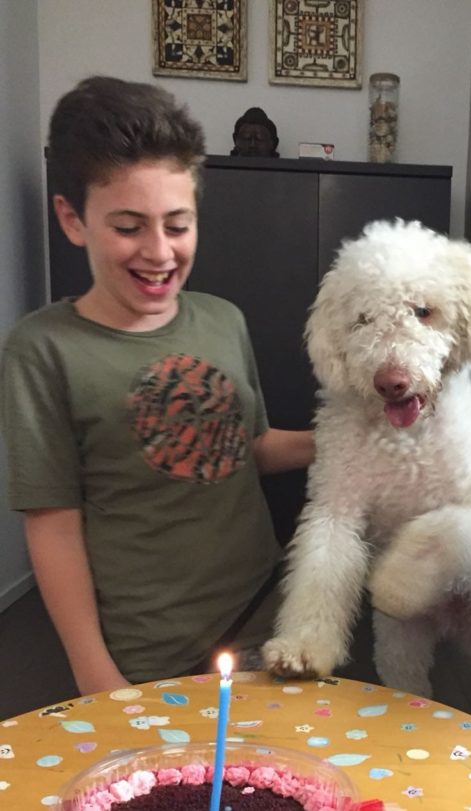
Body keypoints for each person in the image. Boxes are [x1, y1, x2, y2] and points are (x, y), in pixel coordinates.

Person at [0, 76, 312, 696]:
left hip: (266, 610)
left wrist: (350, 433)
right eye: (128, 226)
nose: (159, 251)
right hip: (148, 652)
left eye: (178, 224)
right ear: (72, 219)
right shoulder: (43, 350)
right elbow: (53, 524)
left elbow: (250, 447)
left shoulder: (224, 318)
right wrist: (96, 673)